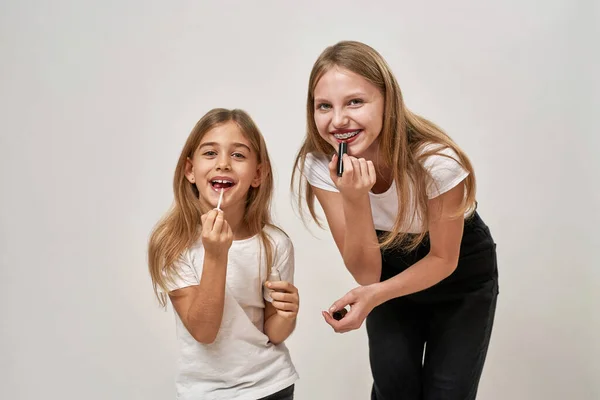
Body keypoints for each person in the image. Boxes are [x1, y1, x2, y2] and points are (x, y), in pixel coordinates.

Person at [292, 41, 498, 399]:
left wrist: (375, 296)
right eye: (324, 106)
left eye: (355, 102)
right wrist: (355, 198)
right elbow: (367, 274)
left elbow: (443, 259)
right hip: (385, 270)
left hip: (458, 276)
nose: (338, 120)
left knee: (447, 392)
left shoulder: (436, 162)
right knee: (394, 389)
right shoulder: (322, 165)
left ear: (387, 101)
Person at [149, 108, 299, 400]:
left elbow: (273, 333)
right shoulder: (173, 243)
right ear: (190, 170)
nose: (223, 164)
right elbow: (203, 331)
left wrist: (287, 314)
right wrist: (216, 256)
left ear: (258, 174)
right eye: (210, 153)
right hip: (206, 393)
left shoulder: (275, 243)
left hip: (271, 386)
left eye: (238, 155)